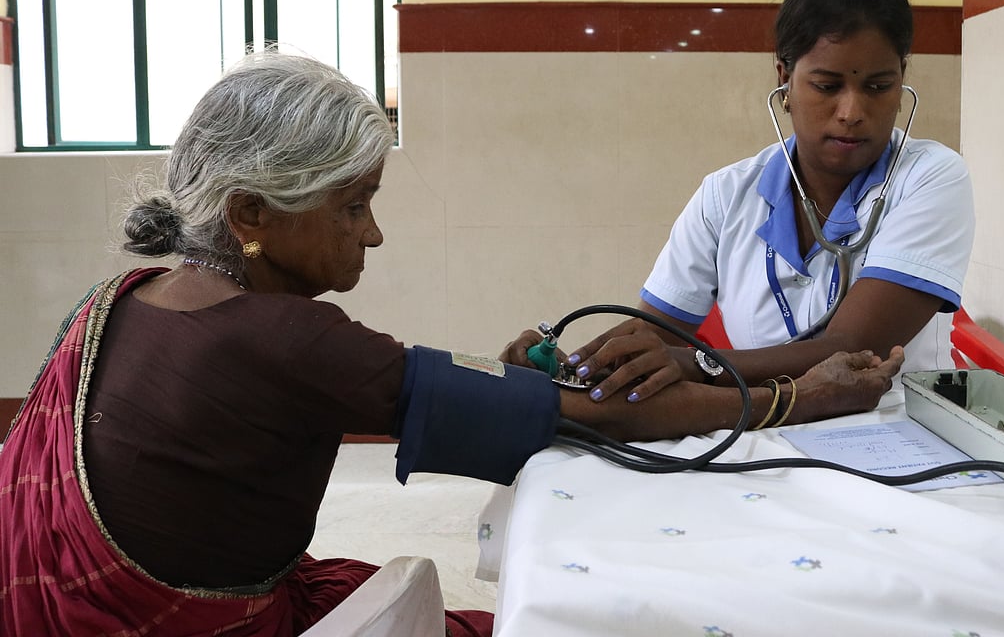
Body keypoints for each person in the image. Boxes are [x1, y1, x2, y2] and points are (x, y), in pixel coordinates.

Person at [0, 51, 902, 636]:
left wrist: (501, 383)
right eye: (353, 206)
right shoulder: (284, 337)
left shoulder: (120, 300)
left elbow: (426, 381)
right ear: (250, 217)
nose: (373, 233)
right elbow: (591, 414)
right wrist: (806, 397)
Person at [503, 0, 974, 406]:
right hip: (762, 433)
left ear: (901, 79)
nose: (851, 112)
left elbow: (852, 349)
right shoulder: (726, 196)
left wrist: (695, 364)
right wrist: (569, 368)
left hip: (899, 431)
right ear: (784, 79)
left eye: (878, 86)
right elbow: (653, 337)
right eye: (827, 86)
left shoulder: (931, 177)